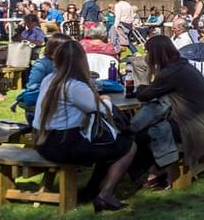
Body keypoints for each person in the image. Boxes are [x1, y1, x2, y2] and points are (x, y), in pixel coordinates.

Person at [34, 40, 136, 211]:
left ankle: (93, 188)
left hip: (42, 140)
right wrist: (106, 100)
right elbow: (100, 109)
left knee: (109, 144)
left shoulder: (48, 79)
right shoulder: (74, 86)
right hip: (63, 144)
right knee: (128, 145)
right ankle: (106, 193)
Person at [132, 35, 204, 188]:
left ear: (156, 53)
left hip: (194, 126)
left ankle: (156, 172)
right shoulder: (181, 65)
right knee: (146, 129)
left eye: (148, 52)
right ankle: (156, 170)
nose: (146, 56)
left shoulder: (171, 73)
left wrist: (146, 75)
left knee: (140, 134)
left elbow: (144, 95)